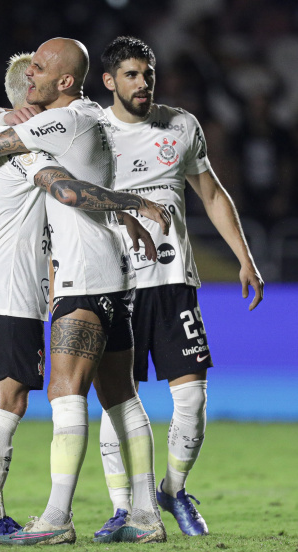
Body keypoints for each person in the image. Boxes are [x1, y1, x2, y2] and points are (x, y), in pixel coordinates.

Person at [0, 37, 169, 544]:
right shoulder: (91, 118)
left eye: (39, 67)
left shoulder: (62, 122)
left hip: (82, 276)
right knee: (121, 397)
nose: (30, 72)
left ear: (63, 81)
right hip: (112, 274)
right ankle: (145, 515)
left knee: (64, 391)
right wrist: (1, 116)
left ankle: (57, 517)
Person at [92, 35, 264, 538]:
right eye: (130, 75)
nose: (142, 82)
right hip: (114, 283)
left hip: (172, 283)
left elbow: (211, 194)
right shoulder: (91, 129)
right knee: (116, 398)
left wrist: (244, 257)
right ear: (109, 82)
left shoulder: (181, 126)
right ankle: (124, 509)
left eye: (147, 73)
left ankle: (173, 489)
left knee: (192, 397)